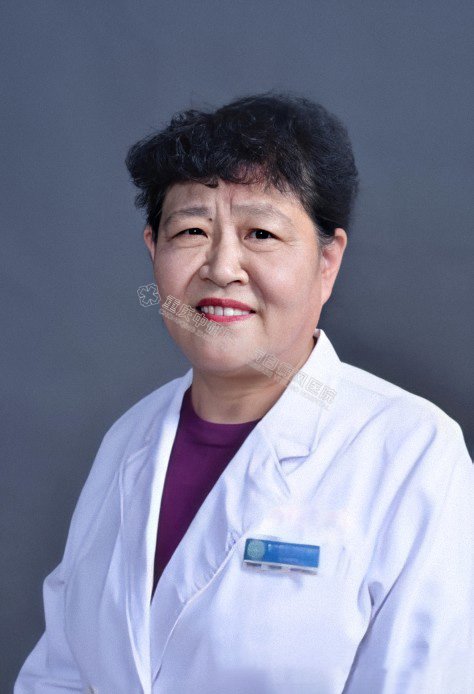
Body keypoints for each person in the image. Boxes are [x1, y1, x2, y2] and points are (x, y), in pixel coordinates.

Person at [15, 92, 473, 694]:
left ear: (327, 261)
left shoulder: (411, 453)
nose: (222, 266)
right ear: (153, 250)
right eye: (191, 231)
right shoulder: (128, 442)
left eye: (260, 232)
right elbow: (60, 675)